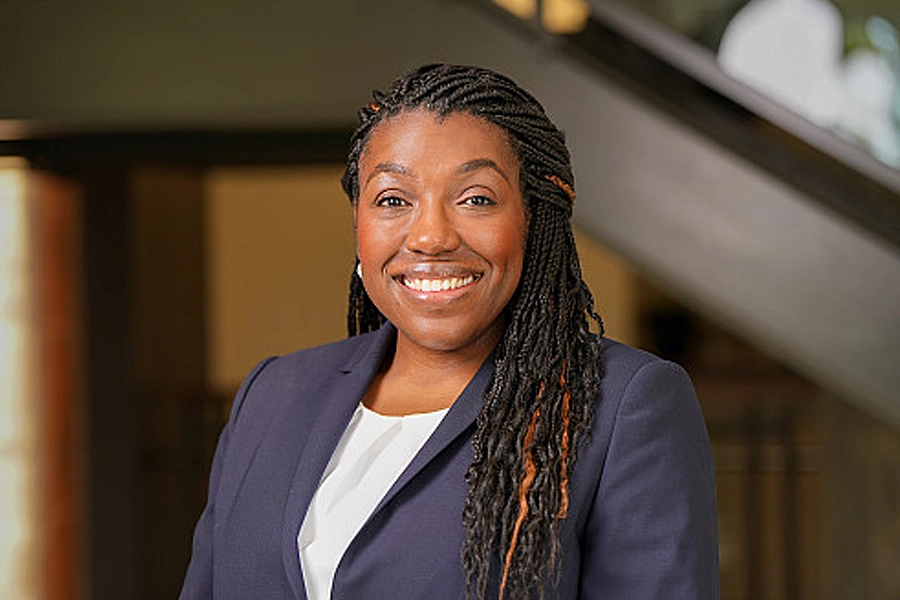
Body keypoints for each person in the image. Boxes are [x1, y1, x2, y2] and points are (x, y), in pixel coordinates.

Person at [179, 63, 719, 600]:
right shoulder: (273, 394)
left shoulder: (623, 404)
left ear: (533, 218)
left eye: (476, 198)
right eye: (393, 200)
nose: (431, 236)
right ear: (358, 222)